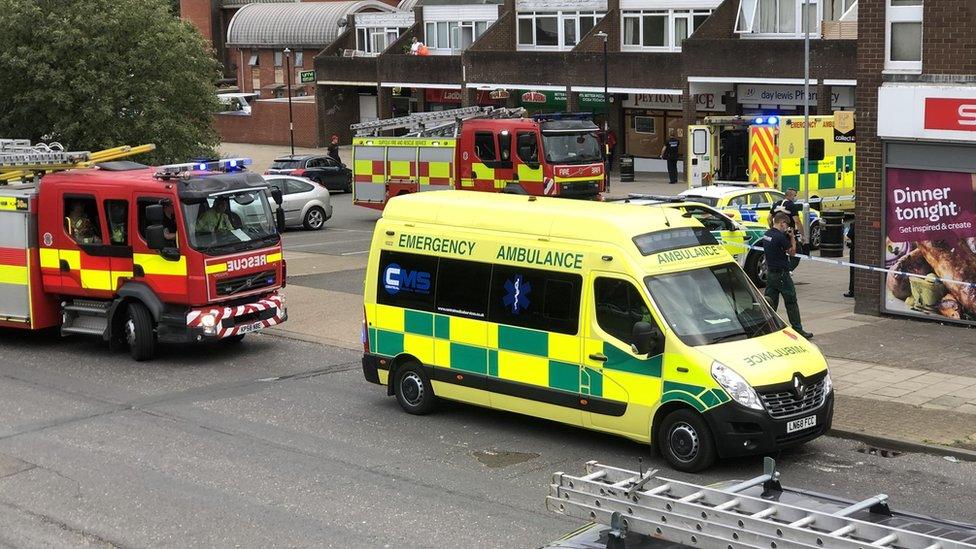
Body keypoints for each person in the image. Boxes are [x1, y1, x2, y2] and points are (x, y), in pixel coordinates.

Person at [762, 212, 813, 339]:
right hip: (782, 275)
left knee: (770, 302)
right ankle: (798, 329)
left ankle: (766, 327)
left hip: (770, 273)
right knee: (791, 302)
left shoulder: (767, 234)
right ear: (781, 223)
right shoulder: (780, 237)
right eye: (786, 225)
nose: (787, 227)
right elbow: (792, 252)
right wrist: (792, 238)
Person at [844, 221, 855, 298]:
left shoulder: (854, 224)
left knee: (853, 271)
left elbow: (848, 237)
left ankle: (852, 291)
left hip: (854, 251)